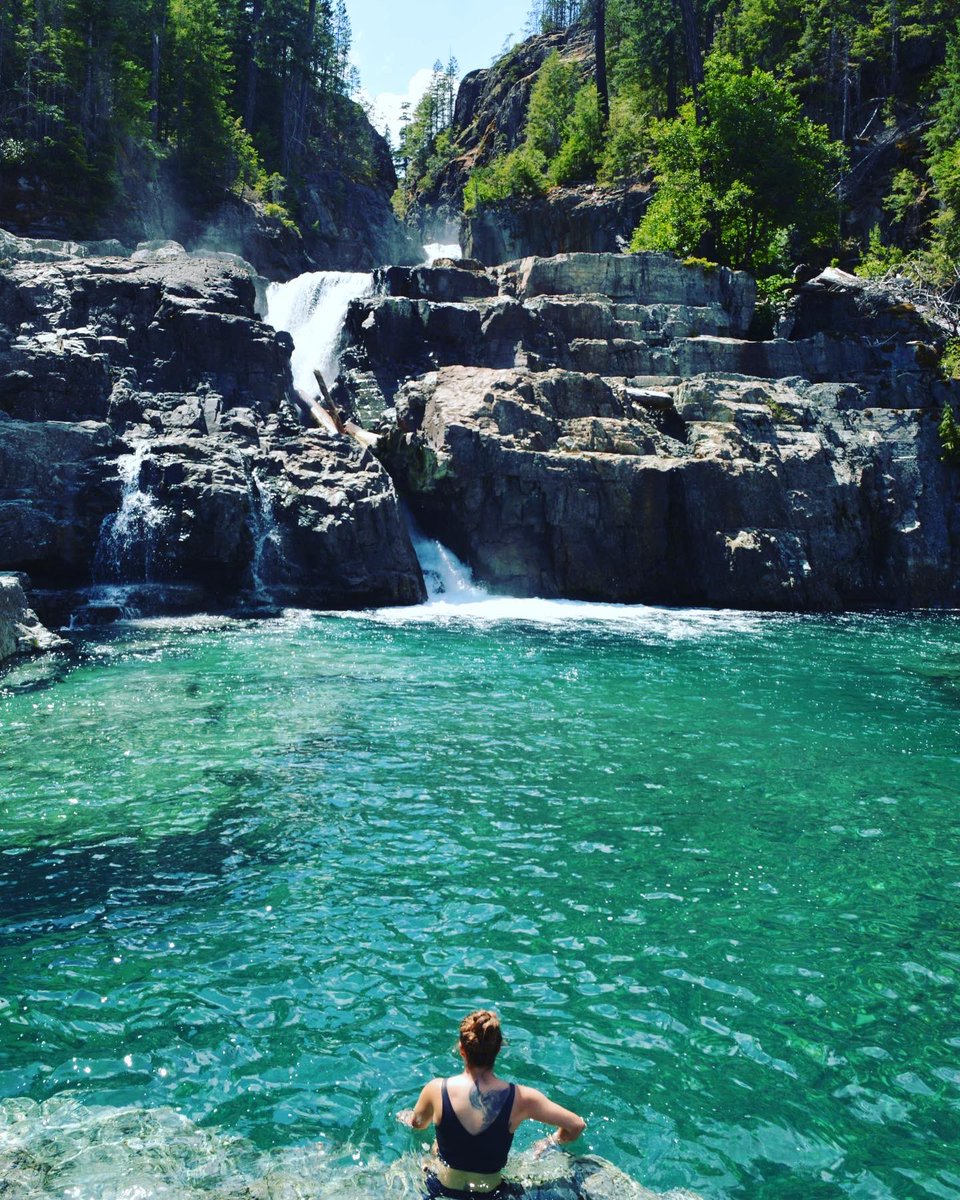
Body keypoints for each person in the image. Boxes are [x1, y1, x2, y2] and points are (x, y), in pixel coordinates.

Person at [398, 1009, 586, 1199]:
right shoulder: (522, 1098)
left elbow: (418, 1123)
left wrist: (407, 1117)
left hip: (439, 1189)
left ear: (462, 1049)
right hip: (493, 1194)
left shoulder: (436, 1089)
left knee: (433, 1150)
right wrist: (550, 1142)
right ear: (498, 1049)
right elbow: (576, 1126)